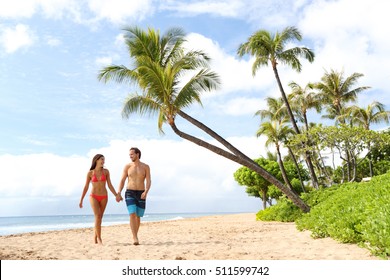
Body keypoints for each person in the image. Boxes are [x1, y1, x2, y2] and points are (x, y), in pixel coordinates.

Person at [79, 154, 119, 245]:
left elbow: (109, 185)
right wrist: (81, 200)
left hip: (104, 196)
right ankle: (100, 239)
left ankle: (95, 236)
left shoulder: (106, 172)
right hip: (93, 196)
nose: (103, 161)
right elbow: (86, 187)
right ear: (96, 160)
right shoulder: (90, 173)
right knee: (97, 216)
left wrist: (116, 195)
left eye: (104, 160)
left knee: (100, 217)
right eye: (102, 159)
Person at [117, 147, 151, 245]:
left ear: (137, 154)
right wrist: (119, 192)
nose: (130, 156)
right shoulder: (127, 166)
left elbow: (148, 180)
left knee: (138, 216)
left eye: (132, 154)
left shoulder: (146, 167)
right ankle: (135, 237)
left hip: (141, 193)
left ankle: (135, 234)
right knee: (132, 213)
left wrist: (146, 191)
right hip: (129, 192)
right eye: (129, 155)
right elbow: (122, 180)